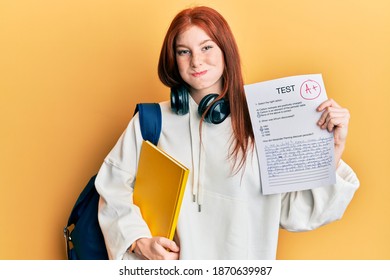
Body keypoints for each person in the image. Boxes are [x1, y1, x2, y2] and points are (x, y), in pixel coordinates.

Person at [95, 6, 359, 260]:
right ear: (173, 60)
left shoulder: (264, 123)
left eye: (207, 47)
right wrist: (140, 241)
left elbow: (293, 213)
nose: (196, 60)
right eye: (183, 51)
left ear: (226, 51)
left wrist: (332, 151)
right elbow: (112, 188)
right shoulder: (152, 122)